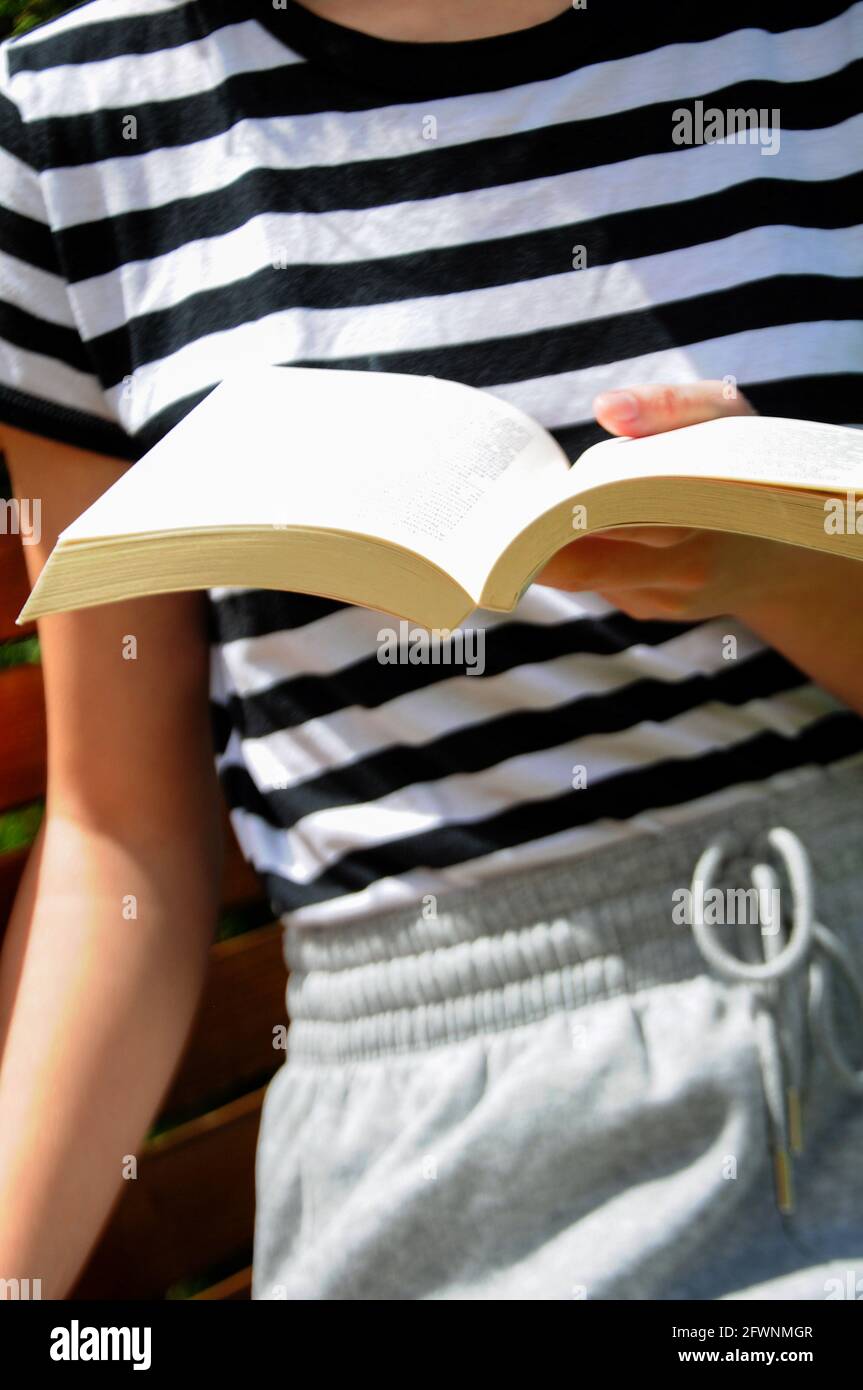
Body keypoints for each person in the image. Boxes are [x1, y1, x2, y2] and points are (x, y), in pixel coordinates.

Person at [0, 0, 861, 1301]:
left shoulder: (816, 31)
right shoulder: (76, 115)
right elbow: (119, 837)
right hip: (431, 1139)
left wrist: (785, 568)